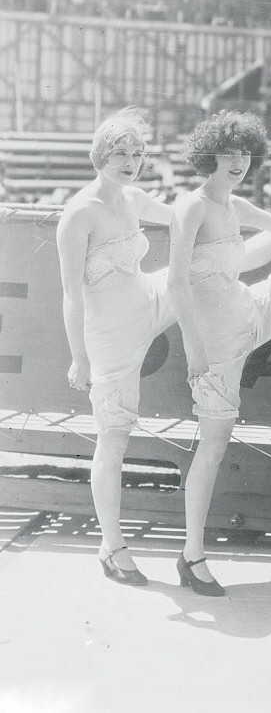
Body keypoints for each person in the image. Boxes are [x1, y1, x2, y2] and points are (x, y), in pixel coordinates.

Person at [166, 110, 271, 596]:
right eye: (229, 153)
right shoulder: (191, 207)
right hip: (214, 346)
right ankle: (191, 554)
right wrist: (194, 348)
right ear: (209, 155)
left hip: (247, 315)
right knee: (213, 448)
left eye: (245, 153)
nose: (238, 162)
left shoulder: (234, 206)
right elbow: (177, 283)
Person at [56, 108, 177, 585]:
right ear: (99, 155)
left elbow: (187, 217)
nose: (130, 162)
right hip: (109, 337)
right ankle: (112, 545)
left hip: (146, 302)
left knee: (211, 268)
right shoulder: (79, 214)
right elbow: (71, 294)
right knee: (115, 437)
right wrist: (79, 357)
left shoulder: (134, 197)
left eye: (137, 153)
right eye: (120, 153)